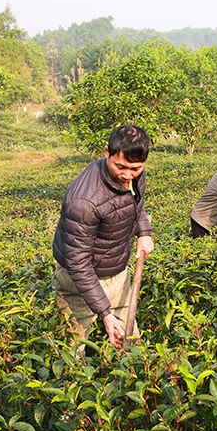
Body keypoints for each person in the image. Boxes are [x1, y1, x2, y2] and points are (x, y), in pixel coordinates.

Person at [52, 125, 154, 349]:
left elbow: (135, 204)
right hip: (78, 282)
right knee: (72, 348)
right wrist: (105, 315)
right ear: (107, 152)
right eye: (121, 167)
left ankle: (128, 379)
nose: (128, 175)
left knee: (130, 344)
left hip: (117, 271)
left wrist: (144, 232)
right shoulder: (84, 201)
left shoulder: (133, 175)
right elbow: (78, 264)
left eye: (135, 168)